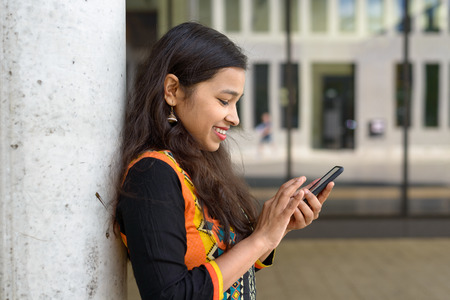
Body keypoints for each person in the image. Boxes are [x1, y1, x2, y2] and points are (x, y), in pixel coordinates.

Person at [114, 22, 334, 300]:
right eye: (224, 101)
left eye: (236, 102)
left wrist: (277, 227)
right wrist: (260, 239)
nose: (235, 117)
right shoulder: (152, 174)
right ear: (172, 90)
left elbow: (228, 274)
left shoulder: (199, 164)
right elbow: (169, 295)